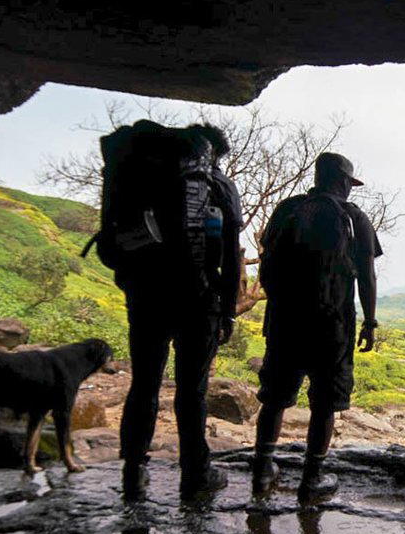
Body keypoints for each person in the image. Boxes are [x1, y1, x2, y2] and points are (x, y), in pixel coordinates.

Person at [111, 122, 243, 500]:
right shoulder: (219, 185)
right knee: (192, 392)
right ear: (215, 152)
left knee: (144, 384)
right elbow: (232, 254)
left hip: (146, 296)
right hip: (199, 301)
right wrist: (228, 310)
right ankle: (196, 474)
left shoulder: (145, 177)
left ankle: (133, 472)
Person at [251, 152, 382, 501]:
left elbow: (267, 258)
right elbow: (367, 276)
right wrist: (370, 322)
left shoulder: (288, 209)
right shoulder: (353, 218)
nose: (351, 189)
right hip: (331, 325)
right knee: (324, 403)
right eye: (350, 183)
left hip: (284, 321)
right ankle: (312, 480)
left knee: (275, 398)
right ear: (342, 181)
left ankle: (261, 471)